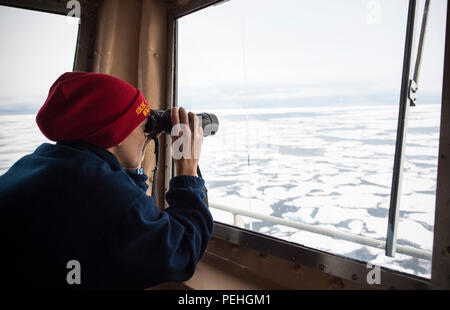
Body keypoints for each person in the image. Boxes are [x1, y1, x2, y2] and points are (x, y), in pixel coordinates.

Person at [0, 72, 214, 289]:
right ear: (117, 134)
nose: (150, 136)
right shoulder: (106, 196)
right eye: (144, 127)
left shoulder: (32, 165)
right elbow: (182, 250)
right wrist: (187, 170)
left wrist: (129, 166)